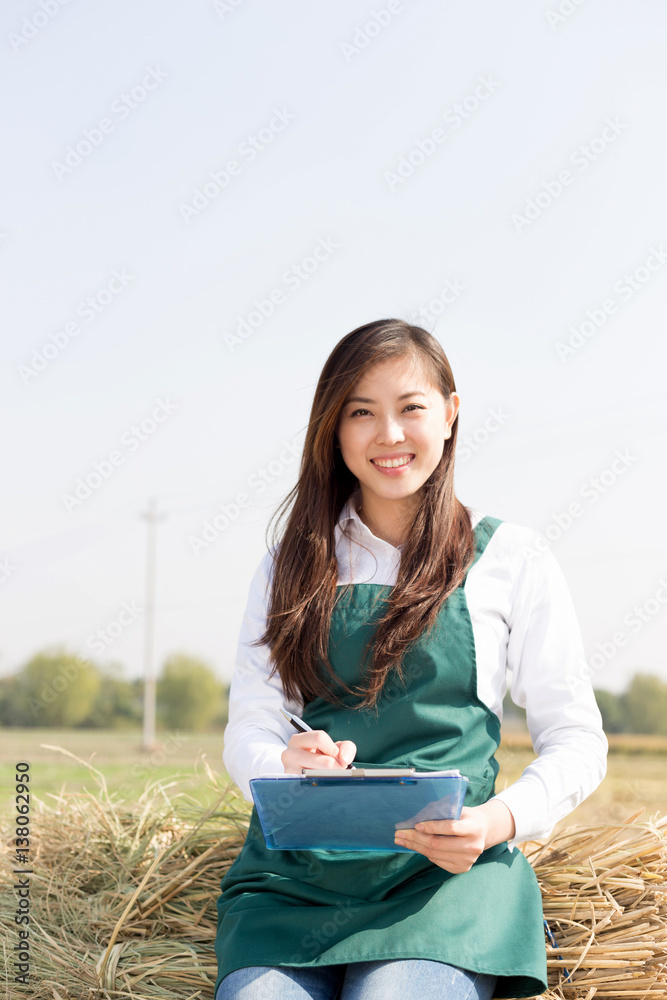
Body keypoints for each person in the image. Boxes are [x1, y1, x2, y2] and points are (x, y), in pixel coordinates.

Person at [213, 319, 608, 1000]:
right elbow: (250, 721)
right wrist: (283, 763)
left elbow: (576, 739)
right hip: (297, 881)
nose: (388, 435)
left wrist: (494, 823)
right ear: (332, 431)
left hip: (445, 882)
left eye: (410, 408)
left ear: (450, 416)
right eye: (360, 413)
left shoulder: (511, 558)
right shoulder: (290, 563)